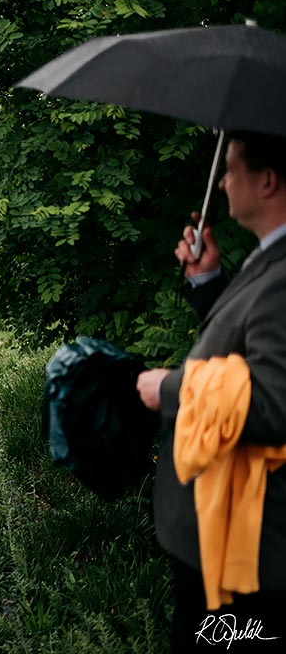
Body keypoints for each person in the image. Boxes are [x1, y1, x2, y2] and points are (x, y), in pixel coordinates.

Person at [136, 130, 286, 651]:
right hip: (219, 535)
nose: (221, 181)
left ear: (267, 181)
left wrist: (171, 389)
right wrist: (209, 282)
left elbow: (273, 402)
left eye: (231, 167)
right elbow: (247, 349)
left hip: (251, 552)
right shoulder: (271, 258)